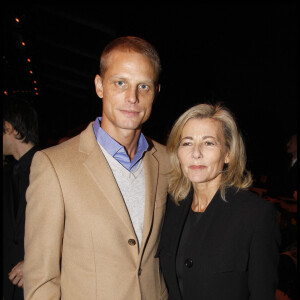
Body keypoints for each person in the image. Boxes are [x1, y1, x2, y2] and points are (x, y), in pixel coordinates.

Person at [23, 36, 170, 300]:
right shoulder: (53, 167)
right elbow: (41, 280)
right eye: (120, 83)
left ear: (156, 92)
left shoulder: (169, 161)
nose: (132, 97)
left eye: (144, 86)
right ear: (100, 86)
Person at [157, 103, 281, 300]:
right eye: (187, 143)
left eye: (209, 143)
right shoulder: (171, 206)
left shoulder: (255, 215)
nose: (195, 153)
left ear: (228, 154)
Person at [3, 97, 39, 300]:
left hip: (36, 285)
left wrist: (34, 261)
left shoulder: (52, 168)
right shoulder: (7, 174)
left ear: (10, 128)